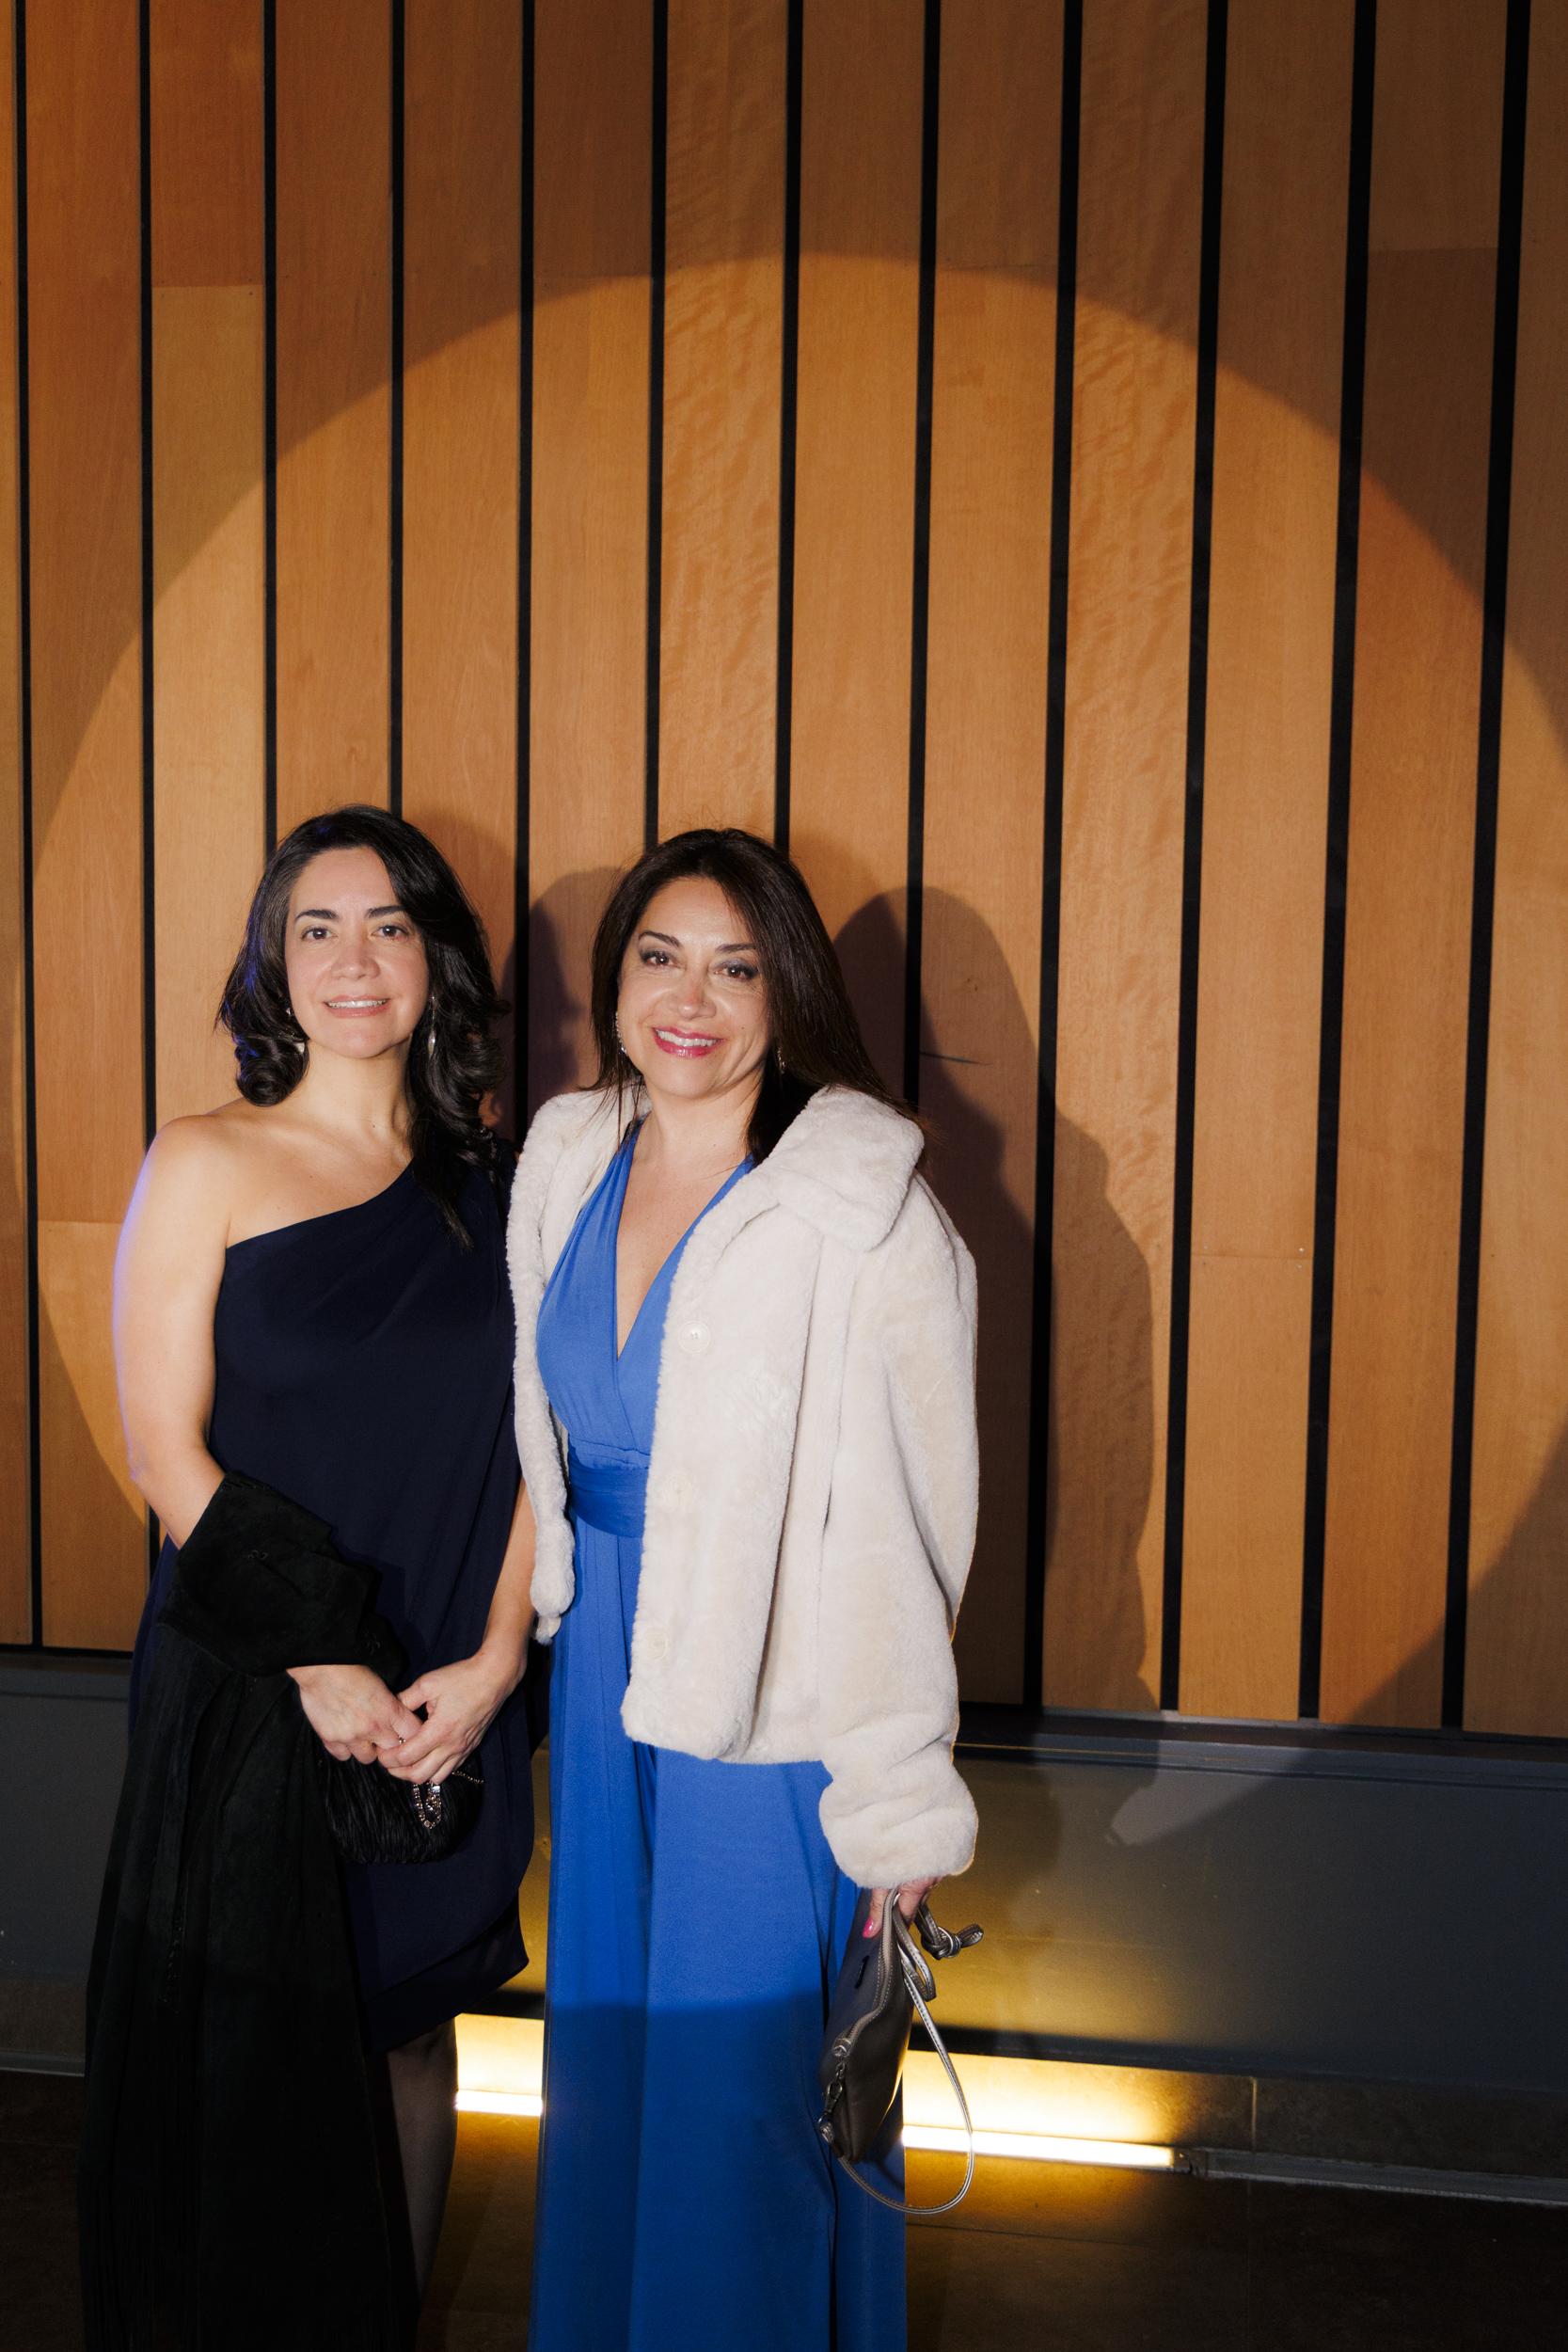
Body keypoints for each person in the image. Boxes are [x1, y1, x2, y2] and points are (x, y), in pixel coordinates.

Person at [508, 828, 979, 2352]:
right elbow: (539, 1449)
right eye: (660, 957)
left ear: (789, 997)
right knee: (610, 2083)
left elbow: (906, 1530)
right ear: (615, 979)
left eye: (736, 966)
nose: (690, 1000)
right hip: (604, 1680)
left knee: (739, 2117)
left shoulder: (864, 1209)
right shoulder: (569, 1159)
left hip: (774, 1712)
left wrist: (898, 1804)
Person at [96, 806, 537, 2324]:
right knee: (250, 2053)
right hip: (255, 1683)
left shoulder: (505, 1182)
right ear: (274, 965)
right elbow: (163, 1451)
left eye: (390, 926)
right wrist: (317, 1659)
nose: (357, 960)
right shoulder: (202, 1159)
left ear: (436, 958)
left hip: (445, 1686)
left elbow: (546, 1449)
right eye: (319, 928)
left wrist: (497, 1661)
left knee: (410, 2035)